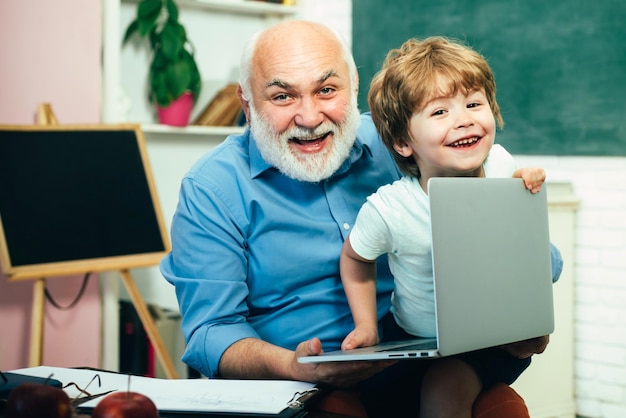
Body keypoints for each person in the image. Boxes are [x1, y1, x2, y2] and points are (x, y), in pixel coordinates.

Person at [160, 20, 561, 417]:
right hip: (301, 385)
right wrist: (292, 366)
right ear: (247, 105)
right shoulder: (211, 188)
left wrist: (518, 310)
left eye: (327, 90)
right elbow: (211, 331)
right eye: (283, 96)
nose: (309, 116)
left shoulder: (411, 143)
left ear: (353, 88)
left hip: (425, 359)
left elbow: (528, 249)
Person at [339, 36, 563, 418]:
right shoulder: (389, 208)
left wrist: (522, 188)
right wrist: (365, 326)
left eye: (475, 104)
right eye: (440, 112)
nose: (464, 119)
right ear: (403, 142)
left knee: (445, 389)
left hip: (489, 341)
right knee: (377, 395)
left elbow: (522, 251)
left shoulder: (502, 166)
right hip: (414, 338)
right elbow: (355, 258)